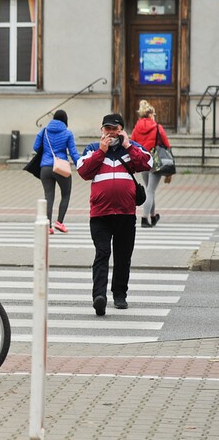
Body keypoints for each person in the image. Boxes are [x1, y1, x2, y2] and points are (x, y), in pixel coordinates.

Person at [77, 113, 151, 316]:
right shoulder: (92, 149)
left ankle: (120, 294)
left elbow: (147, 163)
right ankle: (98, 297)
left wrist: (128, 146)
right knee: (102, 254)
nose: (111, 132)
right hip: (100, 215)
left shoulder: (132, 147)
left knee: (123, 256)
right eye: (107, 128)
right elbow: (83, 171)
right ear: (101, 130)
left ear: (121, 130)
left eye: (115, 128)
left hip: (126, 214)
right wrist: (101, 152)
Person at [33, 109, 80, 234]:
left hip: (45, 168)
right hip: (61, 168)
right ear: (65, 120)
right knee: (65, 194)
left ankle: (47, 226)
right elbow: (73, 153)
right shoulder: (67, 133)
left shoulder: (44, 131)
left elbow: (36, 147)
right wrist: (81, 165)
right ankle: (59, 222)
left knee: (48, 196)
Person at [130, 100, 171, 228]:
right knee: (150, 191)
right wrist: (169, 170)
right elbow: (167, 146)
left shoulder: (136, 128)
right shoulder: (157, 127)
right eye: (154, 114)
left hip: (143, 161)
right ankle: (144, 218)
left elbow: (131, 145)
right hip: (155, 162)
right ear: (150, 114)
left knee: (149, 190)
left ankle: (153, 217)